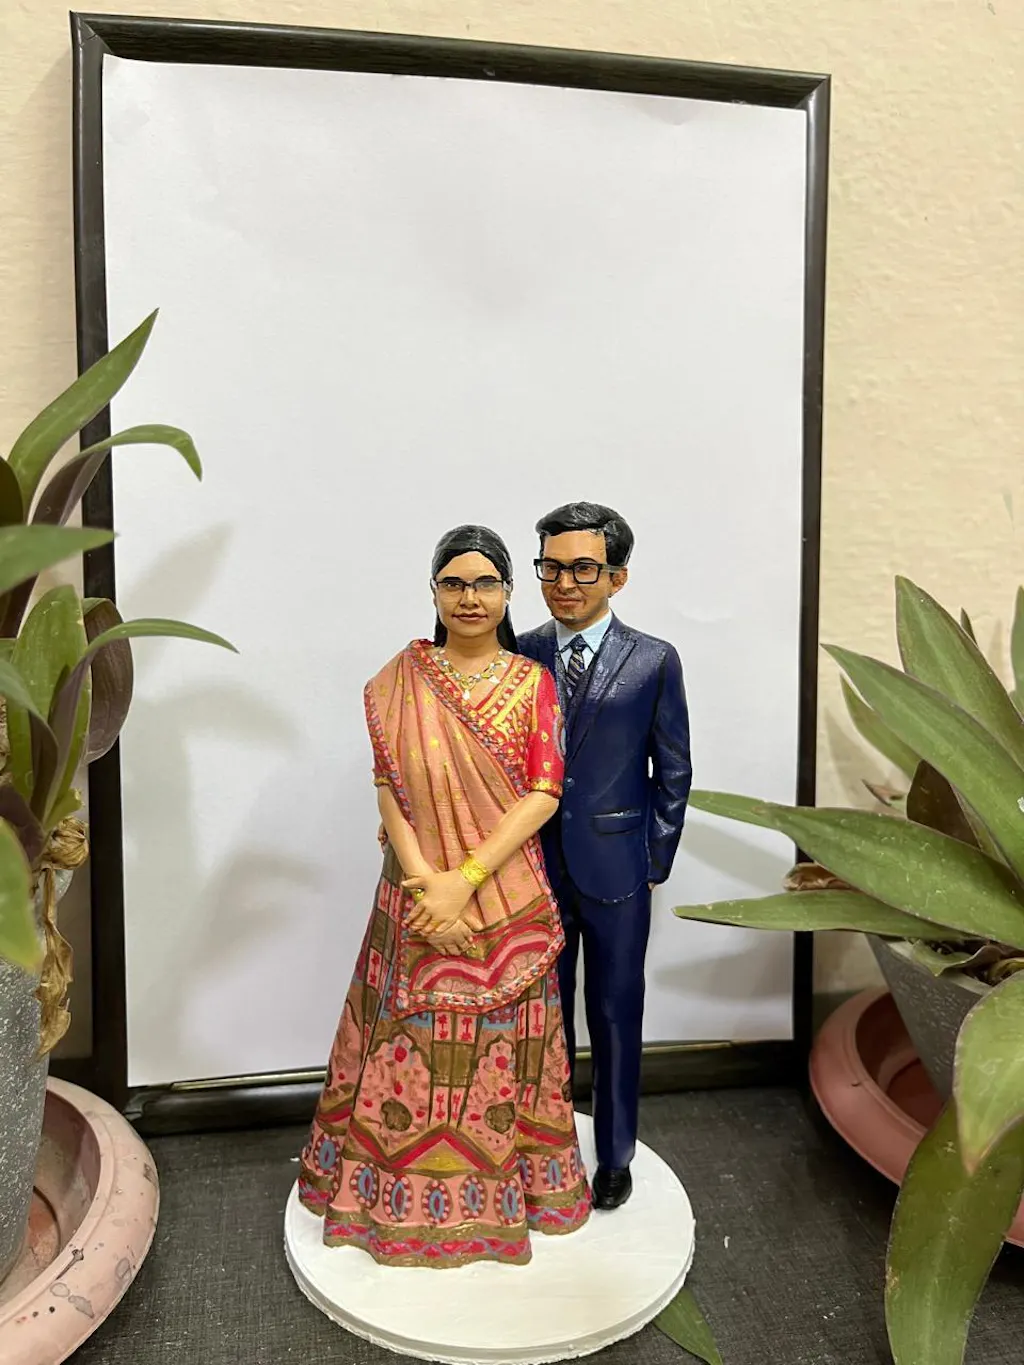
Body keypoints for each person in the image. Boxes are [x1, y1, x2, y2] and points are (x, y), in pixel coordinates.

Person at [298, 525, 590, 1267]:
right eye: (454, 583)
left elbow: (544, 792)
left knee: (504, 1042)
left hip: (502, 893)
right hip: (414, 890)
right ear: (433, 592)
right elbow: (388, 787)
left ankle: (511, 1194)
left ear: (508, 593)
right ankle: (388, 1195)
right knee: (409, 1038)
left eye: (485, 583)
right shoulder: (399, 681)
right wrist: (428, 880)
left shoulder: (532, 682)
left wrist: (465, 882)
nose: (469, 597)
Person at [518, 502, 691, 1211]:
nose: (565, 583)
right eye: (551, 567)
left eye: (583, 568)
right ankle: (547, 1145)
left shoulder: (652, 659)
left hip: (618, 868)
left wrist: (653, 860)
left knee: (617, 1014)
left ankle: (615, 1153)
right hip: (532, 867)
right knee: (542, 1015)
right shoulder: (518, 650)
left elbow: (672, 767)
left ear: (617, 576)